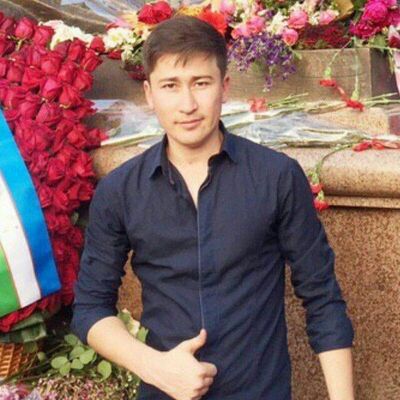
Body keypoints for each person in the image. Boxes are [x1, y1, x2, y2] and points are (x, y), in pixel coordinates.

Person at [71, 16, 355, 400]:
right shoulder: (121, 190)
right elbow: (90, 308)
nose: (188, 104)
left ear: (225, 86)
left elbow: (322, 298)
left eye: (201, 83)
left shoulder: (276, 177)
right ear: (150, 93)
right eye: (170, 86)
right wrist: (156, 368)